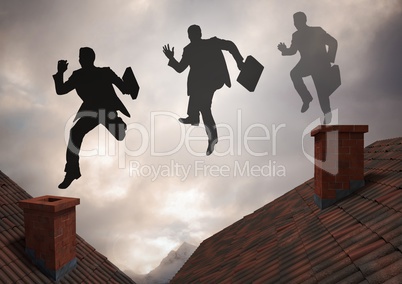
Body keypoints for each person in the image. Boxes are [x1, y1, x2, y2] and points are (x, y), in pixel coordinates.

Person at [53, 47, 130, 189]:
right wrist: (60, 73)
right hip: (91, 112)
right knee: (75, 133)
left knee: (119, 135)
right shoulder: (78, 75)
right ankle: (71, 172)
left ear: (91, 59)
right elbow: (61, 90)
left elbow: (124, 88)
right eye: (80, 58)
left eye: (83, 57)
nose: (81, 60)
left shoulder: (105, 72)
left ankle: (119, 124)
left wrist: (129, 83)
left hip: (107, 111)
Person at [163, 25, 244, 155]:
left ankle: (197, 120)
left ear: (198, 34)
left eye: (193, 34)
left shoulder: (211, 43)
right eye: (191, 34)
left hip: (211, 81)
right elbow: (180, 68)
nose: (192, 37)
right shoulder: (189, 49)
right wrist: (171, 58)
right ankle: (196, 119)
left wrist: (239, 61)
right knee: (203, 107)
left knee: (204, 106)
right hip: (199, 84)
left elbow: (230, 45)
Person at [278, 12, 338, 124]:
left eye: (297, 21)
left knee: (321, 91)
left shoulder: (317, 31)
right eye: (294, 22)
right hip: (306, 63)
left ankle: (327, 113)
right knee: (294, 74)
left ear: (304, 20)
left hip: (319, 64)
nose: (296, 24)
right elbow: (292, 51)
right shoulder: (295, 35)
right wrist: (284, 50)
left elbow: (333, 42)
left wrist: (328, 60)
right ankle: (306, 98)